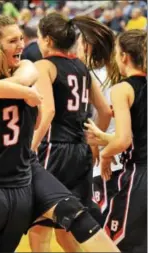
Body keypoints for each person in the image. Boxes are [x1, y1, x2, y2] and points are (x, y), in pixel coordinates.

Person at [0, 15, 120, 253]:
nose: (22, 44)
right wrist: (19, 93)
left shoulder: (25, 68)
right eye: (13, 40)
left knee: (67, 219)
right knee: (62, 220)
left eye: (22, 38)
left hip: (12, 173)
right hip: (0, 176)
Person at [29, 12, 113, 252]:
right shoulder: (82, 68)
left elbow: (49, 111)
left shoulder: (44, 65)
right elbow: (105, 111)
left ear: (46, 40)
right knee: (69, 231)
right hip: (81, 151)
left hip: (54, 149)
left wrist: (31, 147)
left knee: (39, 228)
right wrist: (94, 142)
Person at [85, 29, 147, 253]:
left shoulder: (123, 88)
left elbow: (123, 140)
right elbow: (138, 138)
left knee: (115, 243)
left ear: (124, 56)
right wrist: (104, 138)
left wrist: (105, 155)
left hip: (139, 175)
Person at [74, 16, 123, 223]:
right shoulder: (118, 74)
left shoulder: (89, 76)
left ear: (86, 45)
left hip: (105, 158)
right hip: (122, 156)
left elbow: (103, 114)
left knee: (101, 228)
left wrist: (94, 146)